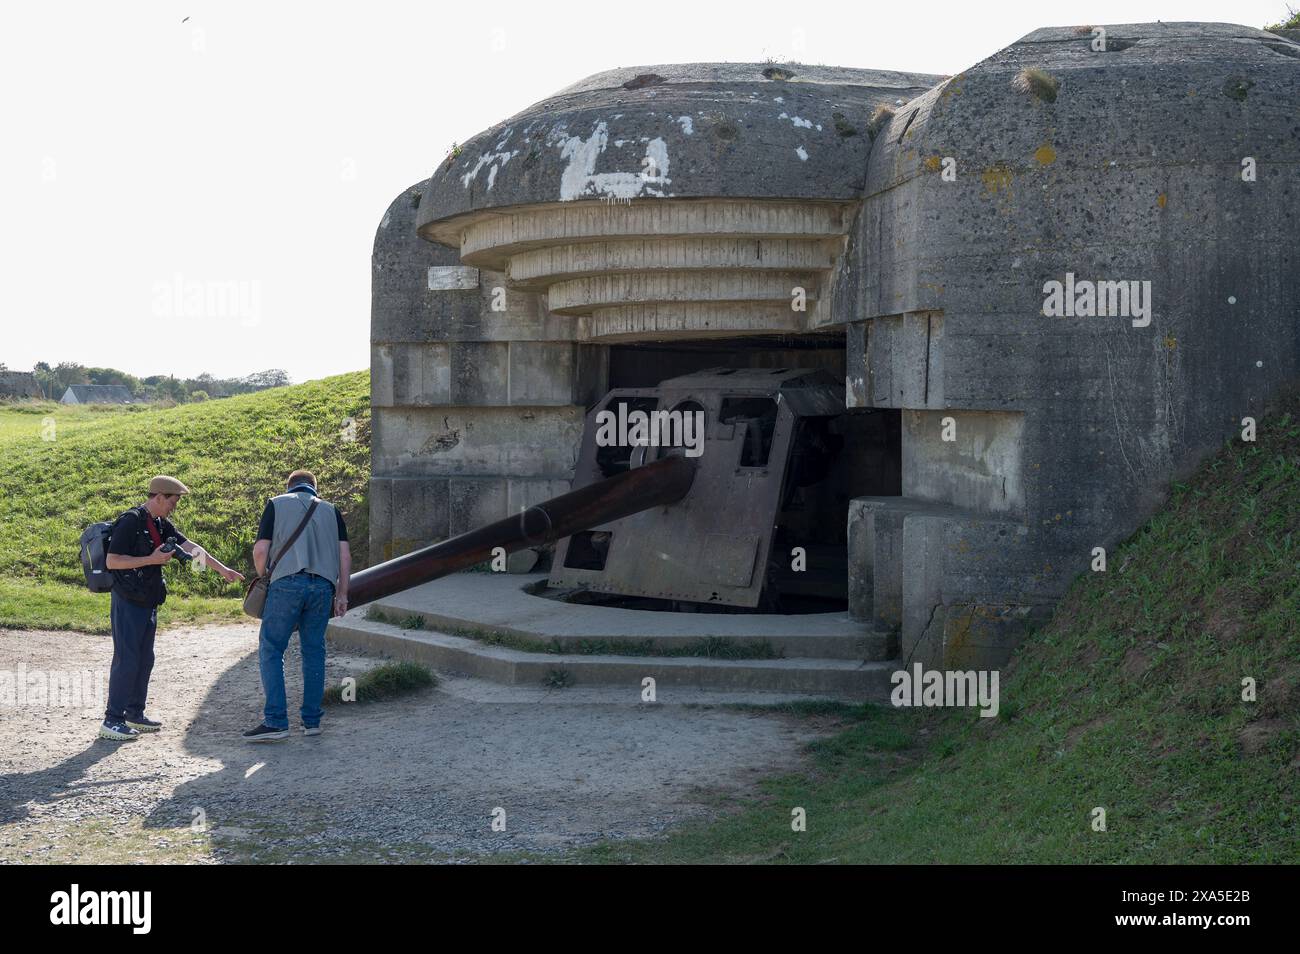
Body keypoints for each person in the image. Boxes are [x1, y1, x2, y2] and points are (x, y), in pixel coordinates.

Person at [100, 475, 245, 741]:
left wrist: (223, 570)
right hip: (128, 600)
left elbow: (191, 548)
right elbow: (112, 561)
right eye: (172, 502)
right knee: (127, 659)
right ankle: (112, 719)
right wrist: (151, 559)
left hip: (148, 600)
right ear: (158, 497)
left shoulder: (159, 523)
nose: (174, 507)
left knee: (145, 659)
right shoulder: (130, 521)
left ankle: (134, 713)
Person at [243, 469, 350, 742]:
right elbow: (344, 555)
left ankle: (277, 722)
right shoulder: (331, 510)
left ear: (289, 486)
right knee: (314, 651)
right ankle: (312, 721)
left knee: (271, 648)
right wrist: (342, 594)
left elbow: (260, 551)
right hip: (323, 587)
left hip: (287, 583)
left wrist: (265, 575)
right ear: (315, 487)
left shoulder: (276, 504)